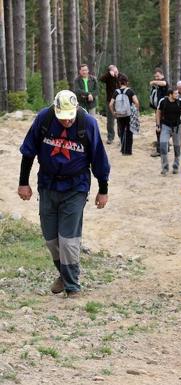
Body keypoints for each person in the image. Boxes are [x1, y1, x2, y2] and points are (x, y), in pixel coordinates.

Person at [18, 90, 110, 297]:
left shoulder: (88, 124)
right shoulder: (44, 119)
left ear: (76, 109)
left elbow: (99, 160)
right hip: (48, 184)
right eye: (63, 118)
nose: (67, 122)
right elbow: (28, 152)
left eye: (70, 117)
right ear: (55, 110)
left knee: (68, 239)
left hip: (76, 187)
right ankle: (64, 273)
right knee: (51, 238)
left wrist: (103, 190)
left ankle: (72, 286)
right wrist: (23, 183)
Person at [156, 89, 181, 175]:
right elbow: (158, 112)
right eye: (175, 93)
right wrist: (158, 125)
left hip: (177, 127)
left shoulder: (180, 101)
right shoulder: (163, 101)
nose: (178, 95)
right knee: (163, 146)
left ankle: (175, 166)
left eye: (178, 93)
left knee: (177, 148)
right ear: (170, 94)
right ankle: (165, 168)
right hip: (165, 126)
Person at [108, 74, 139, 155]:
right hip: (128, 115)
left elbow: (110, 104)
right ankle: (128, 151)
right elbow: (136, 102)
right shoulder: (130, 91)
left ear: (119, 83)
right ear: (126, 82)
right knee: (129, 132)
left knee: (121, 132)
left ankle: (123, 150)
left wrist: (113, 113)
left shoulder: (116, 92)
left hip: (119, 115)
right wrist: (136, 111)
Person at [98, 64, 121, 144]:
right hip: (110, 101)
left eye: (116, 70)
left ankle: (121, 137)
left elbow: (126, 84)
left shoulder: (121, 76)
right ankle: (110, 137)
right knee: (110, 120)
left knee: (120, 119)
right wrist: (109, 74)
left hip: (120, 101)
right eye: (113, 70)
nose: (115, 71)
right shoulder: (108, 77)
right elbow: (101, 79)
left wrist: (117, 76)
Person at [149, 68, 169, 157]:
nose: (156, 78)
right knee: (162, 129)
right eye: (155, 76)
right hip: (158, 110)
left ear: (162, 75)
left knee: (160, 129)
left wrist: (154, 82)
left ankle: (160, 150)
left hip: (164, 111)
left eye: (158, 76)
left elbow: (164, 83)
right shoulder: (156, 86)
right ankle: (165, 148)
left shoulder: (164, 83)